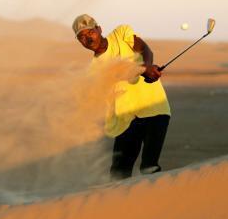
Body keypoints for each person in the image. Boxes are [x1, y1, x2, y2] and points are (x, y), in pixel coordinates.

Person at [72, 14, 171, 180]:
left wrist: (147, 67)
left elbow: (145, 49)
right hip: (125, 121)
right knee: (118, 175)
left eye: (90, 32)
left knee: (149, 168)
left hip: (155, 109)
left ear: (99, 29)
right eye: (82, 37)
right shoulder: (93, 70)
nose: (88, 39)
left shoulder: (121, 33)